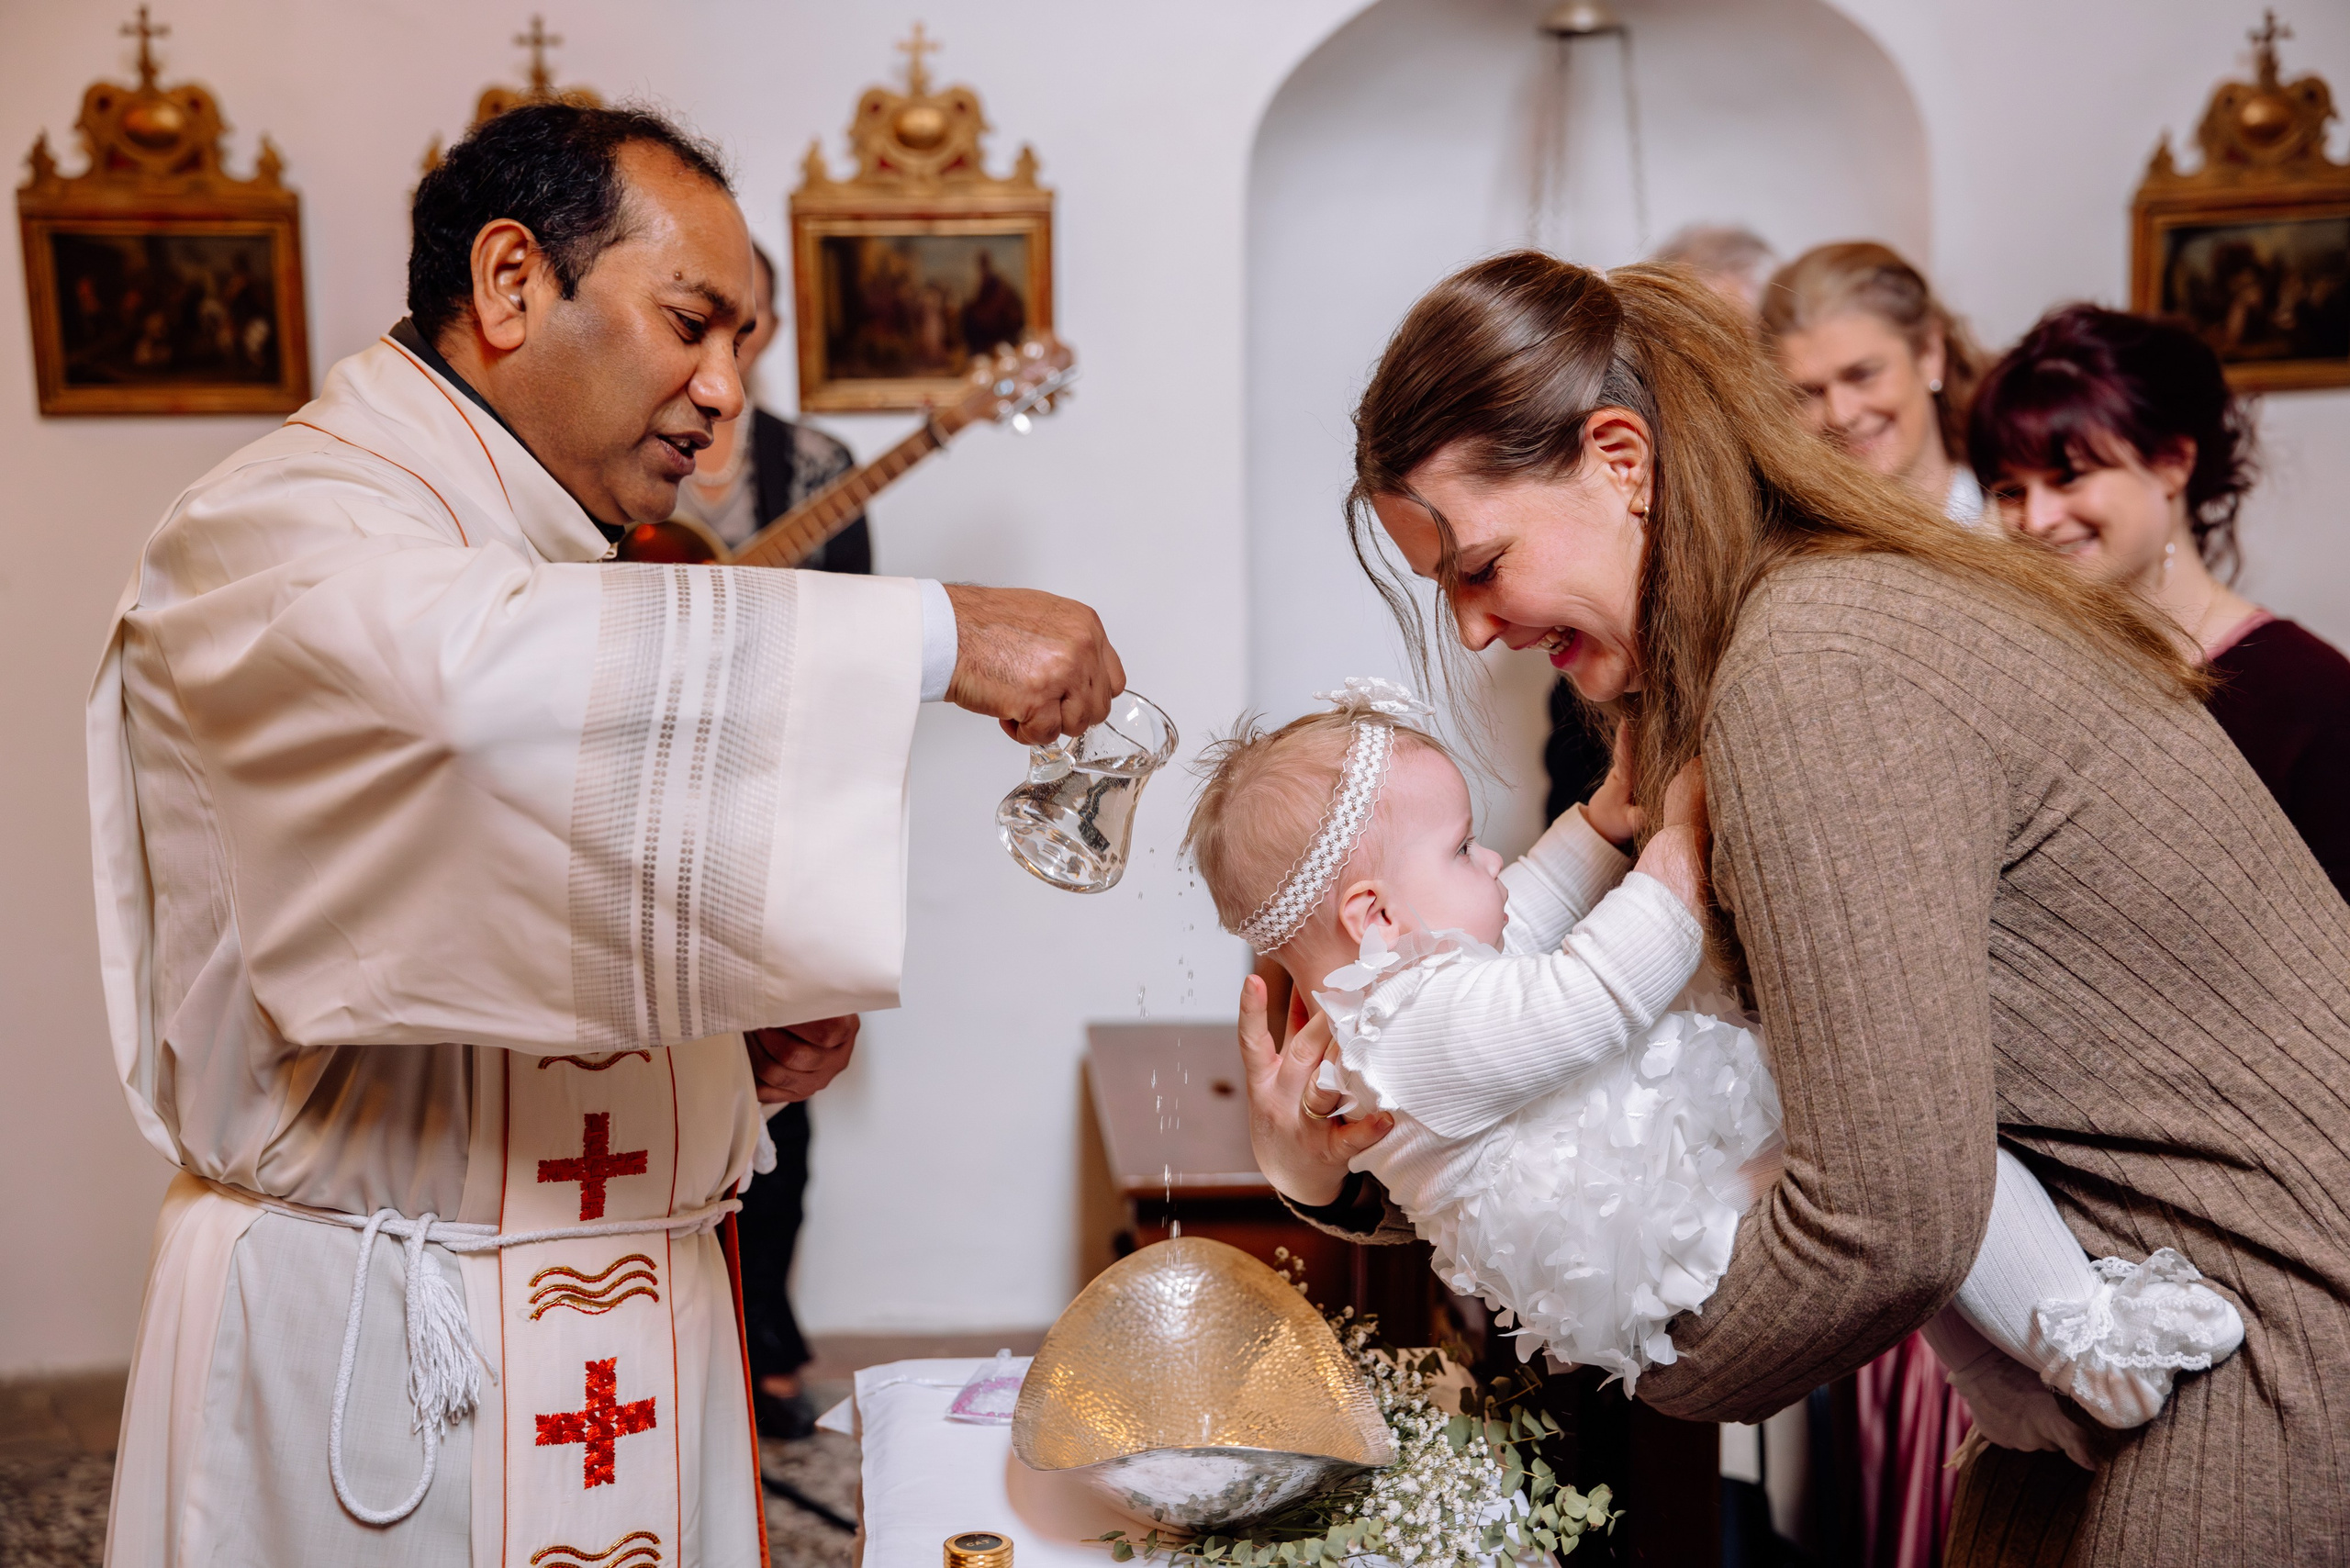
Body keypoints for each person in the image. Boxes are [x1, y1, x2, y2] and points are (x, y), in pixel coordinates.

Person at [89, 103, 1124, 1568]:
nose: (725, 393)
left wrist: (716, 1039)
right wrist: (931, 630)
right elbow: (469, 691)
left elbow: (517, 850)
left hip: (632, 1309)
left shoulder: (546, 552)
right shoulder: (284, 518)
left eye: (748, 344)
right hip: (383, 1341)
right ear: (512, 284)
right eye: (694, 323)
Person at [1248, 251, 2350, 1564]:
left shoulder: (1817, 667)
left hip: (2237, 1356)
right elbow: (1594, 1065)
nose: (1475, 629)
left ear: (1621, 459)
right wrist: (1322, 1165)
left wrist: (1641, 1342)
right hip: (2117, 1350)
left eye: (1480, 566)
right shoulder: (1750, 658)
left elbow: (1889, 1216)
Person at [1208, 682, 2239, 1428]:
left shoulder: (1395, 1004)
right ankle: (2093, 1337)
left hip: (1645, 1205)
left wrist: (1599, 821)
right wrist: (1671, 856)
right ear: (1376, 913)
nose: (1492, 862)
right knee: (1936, 1167)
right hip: (1657, 1227)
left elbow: (1518, 917)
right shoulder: (1423, 1028)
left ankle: (1998, 1387)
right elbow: (1586, 994)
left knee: (1898, 1209)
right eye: (1463, 847)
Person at [1970, 304, 2350, 900]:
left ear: (2172, 462)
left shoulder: (2315, 694)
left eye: (2068, 477)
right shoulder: (2023, 679)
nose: (2037, 520)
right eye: (2013, 490)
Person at [668, 241, 868, 572]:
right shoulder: (616, 450)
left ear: (773, 328)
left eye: (749, 311)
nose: (728, 330)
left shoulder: (822, 461)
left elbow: (855, 603)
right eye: (703, 307)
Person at [1763, 241, 1989, 526]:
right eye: (1808, 393)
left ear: (1929, 353)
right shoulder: (1780, 556)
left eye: (1862, 375)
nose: (1840, 415)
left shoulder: (2037, 525)